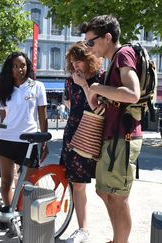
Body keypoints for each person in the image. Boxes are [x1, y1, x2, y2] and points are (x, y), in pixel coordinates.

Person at [81, 15, 143, 243]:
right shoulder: (112, 62)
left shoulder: (122, 55)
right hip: (112, 136)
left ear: (107, 37)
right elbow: (106, 104)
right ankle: (118, 238)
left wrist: (98, 86)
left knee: (119, 197)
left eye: (91, 41)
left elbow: (133, 93)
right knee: (104, 192)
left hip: (123, 137)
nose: (88, 47)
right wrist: (91, 89)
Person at [0, 52, 49, 219]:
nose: (19, 69)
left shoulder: (37, 86)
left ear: (28, 66)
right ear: (10, 69)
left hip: (29, 141)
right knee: (6, 182)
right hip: (6, 139)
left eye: (22, 65)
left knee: (29, 184)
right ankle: (11, 217)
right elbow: (3, 116)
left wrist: (44, 141)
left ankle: (26, 218)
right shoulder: (3, 88)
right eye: (15, 66)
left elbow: (42, 114)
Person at [60, 41, 104, 243]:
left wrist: (84, 86)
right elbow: (69, 103)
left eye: (80, 62)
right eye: (73, 62)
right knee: (77, 184)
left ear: (90, 60)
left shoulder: (100, 78)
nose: (76, 66)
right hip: (73, 132)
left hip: (93, 133)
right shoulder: (70, 81)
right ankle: (83, 229)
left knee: (104, 188)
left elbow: (99, 109)